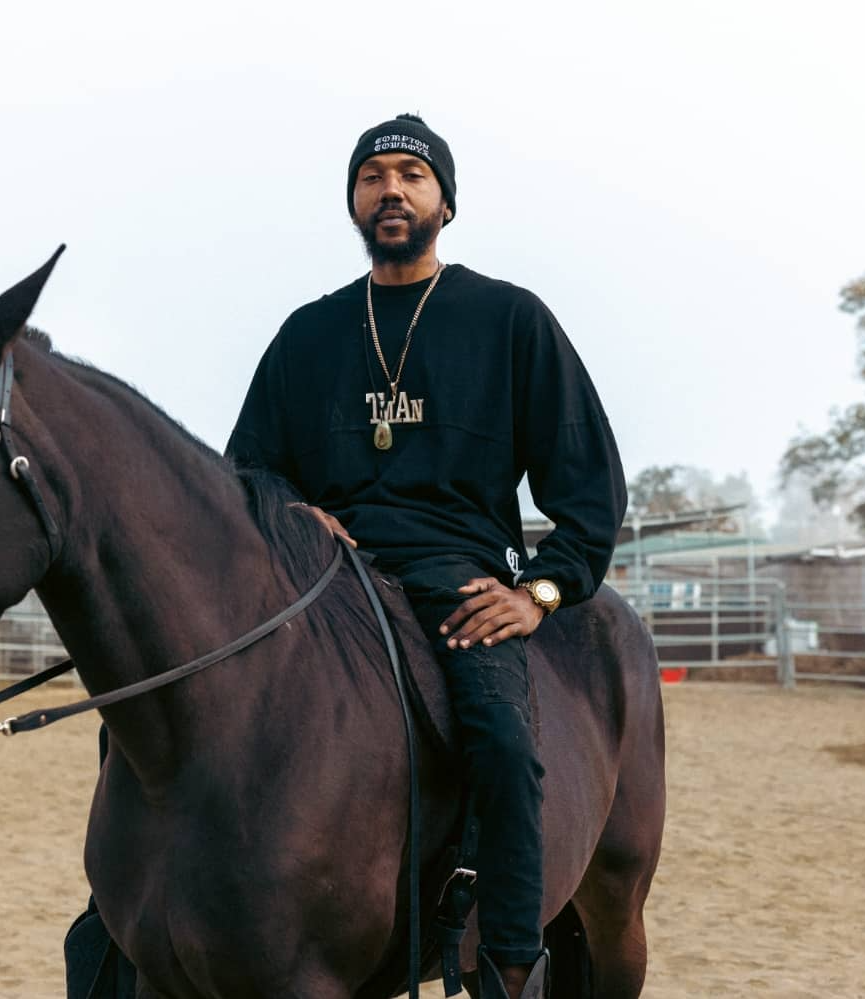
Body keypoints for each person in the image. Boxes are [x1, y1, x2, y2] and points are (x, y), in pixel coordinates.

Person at [225, 113, 627, 999]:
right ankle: (117, 936)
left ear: (447, 199)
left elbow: (588, 483)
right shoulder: (308, 333)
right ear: (354, 202)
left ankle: (508, 965)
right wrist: (293, 511)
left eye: (412, 174)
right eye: (373, 178)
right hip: (323, 581)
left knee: (505, 741)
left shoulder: (510, 319)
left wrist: (544, 591)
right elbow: (245, 468)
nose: (392, 190)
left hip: (457, 576)